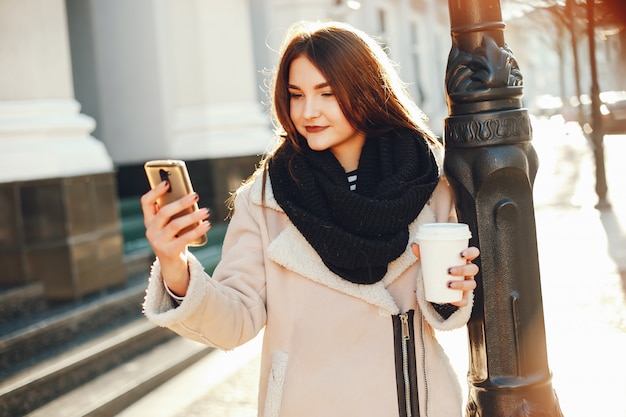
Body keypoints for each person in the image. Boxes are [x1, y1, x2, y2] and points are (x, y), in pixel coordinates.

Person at [141, 20, 479, 417]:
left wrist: (453, 289)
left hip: (411, 404)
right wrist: (173, 262)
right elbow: (234, 322)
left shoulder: (429, 182)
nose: (307, 111)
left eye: (327, 93)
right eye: (296, 94)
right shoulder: (268, 197)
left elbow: (445, 308)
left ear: (367, 91)